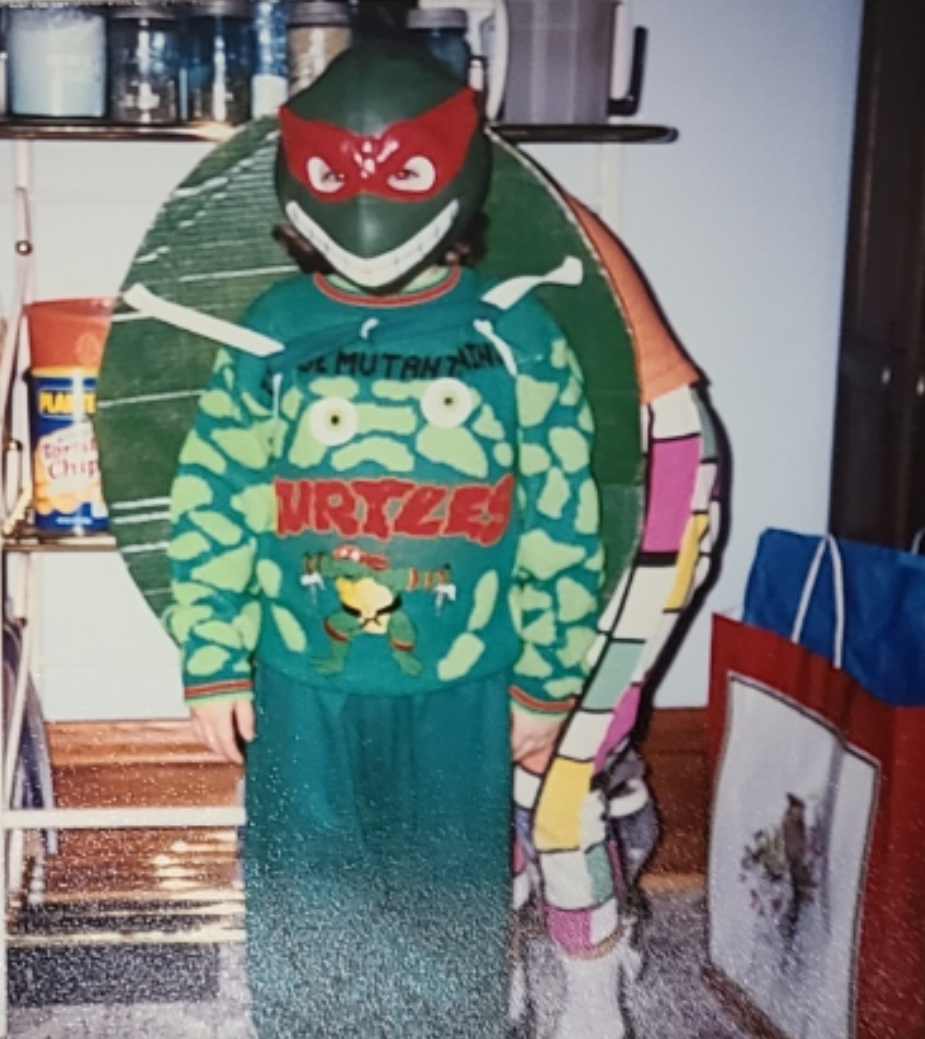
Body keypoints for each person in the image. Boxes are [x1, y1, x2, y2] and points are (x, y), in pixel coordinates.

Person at [163, 42, 603, 1039]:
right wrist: (212, 654)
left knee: (448, 896)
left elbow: (562, 512)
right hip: (299, 680)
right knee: (305, 890)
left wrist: (549, 677)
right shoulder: (272, 328)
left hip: (464, 683)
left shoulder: (517, 333)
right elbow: (217, 492)